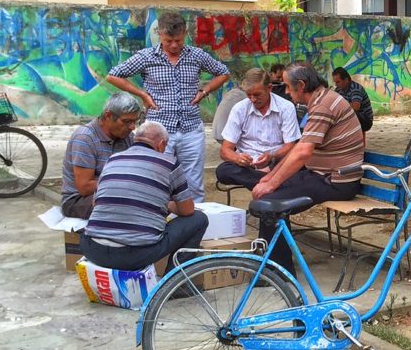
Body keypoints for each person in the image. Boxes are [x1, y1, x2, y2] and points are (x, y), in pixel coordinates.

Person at [250, 62, 364, 272]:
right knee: (269, 196)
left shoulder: (323, 105)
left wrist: (271, 183)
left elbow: (303, 152)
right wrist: (271, 178)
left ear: (301, 85)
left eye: (287, 86)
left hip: (337, 181)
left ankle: (277, 271)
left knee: (270, 203)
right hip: (320, 174)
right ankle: (273, 263)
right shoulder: (321, 100)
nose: (285, 91)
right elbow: (299, 148)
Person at [106, 11, 230, 202]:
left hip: (191, 128)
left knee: (193, 182)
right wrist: (142, 94)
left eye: (178, 41)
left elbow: (223, 72)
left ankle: (194, 221)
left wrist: (204, 91)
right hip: (159, 129)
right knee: (158, 177)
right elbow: (113, 75)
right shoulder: (146, 57)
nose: (173, 45)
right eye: (168, 41)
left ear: (185, 34)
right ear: (159, 34)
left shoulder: (196, 55)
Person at [79, 121, 209, 272]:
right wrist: (166, 204)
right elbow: (187, 210)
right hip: (134, 254)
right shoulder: (169, 164)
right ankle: (176, 284)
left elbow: (96, 203)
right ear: (161, 144)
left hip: (92, 249)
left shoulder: (113, 159)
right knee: (198, 219)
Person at [215, 68, 301, 190]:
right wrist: (238, 158)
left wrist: (272, 156)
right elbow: (225, 151)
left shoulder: (286, 107)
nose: (253, 99)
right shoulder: (240, 109)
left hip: (275, 163)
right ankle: (272, 183)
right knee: (223, 171)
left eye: (257, 95)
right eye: (249, 95)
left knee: (299, 164)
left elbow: (290, 145)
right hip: (247, 166)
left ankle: (268, 180)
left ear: (269, 88)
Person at [60, 93, 141, 218]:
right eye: (127, 121)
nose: (132, 127)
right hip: (78, 200)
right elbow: (84, 187)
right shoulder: (85, 138)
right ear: (108, 116)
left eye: (135, 121)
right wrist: (124, 183)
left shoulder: (128, 137)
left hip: (113, 192)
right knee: (124, 205)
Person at [332, 66, 374, 134]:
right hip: (353, 118)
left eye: (338, 82)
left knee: (347, 114)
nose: (336, 85)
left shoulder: (355, 89)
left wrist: (340, 104)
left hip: (365, 120)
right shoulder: (338, 89)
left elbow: (355, 107)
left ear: (346, 79)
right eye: (335, 82)